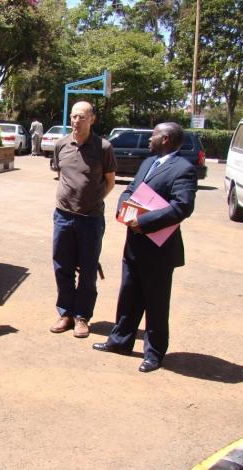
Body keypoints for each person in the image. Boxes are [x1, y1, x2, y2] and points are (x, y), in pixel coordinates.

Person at [92, 122, 197, 372]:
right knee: (128, 294)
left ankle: (154, 353)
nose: (150, 139)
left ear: (167, 139)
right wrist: (123, 208)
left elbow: (182, 207)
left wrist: (144, 221)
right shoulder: (149, 163)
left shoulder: (184, 169)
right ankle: (120, 341)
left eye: (154, 135)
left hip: (159, 248)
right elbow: (129, 189)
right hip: (134, 244)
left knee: (156, 302)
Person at [50, 102, 116, 338]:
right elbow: (60, 174)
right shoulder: (60, 145)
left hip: (90, 219)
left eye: (82, 117)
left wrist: (95, 200)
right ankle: (65, 313)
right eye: (73, 116)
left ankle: (82, 317)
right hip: (63, 217)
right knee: (62, 266)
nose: (76, 121)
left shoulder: (104, 147)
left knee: (88, 270)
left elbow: (110, 181)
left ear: (92, 120)